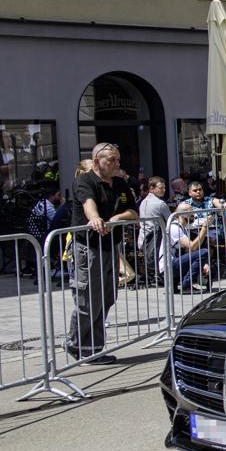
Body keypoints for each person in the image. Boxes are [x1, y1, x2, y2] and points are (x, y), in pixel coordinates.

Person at [66, 143, 138, 364]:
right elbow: (88, 204)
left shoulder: (119, 184)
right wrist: (95, 218)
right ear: (97, 161)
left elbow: (133, 211)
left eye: (118, 159)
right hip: (88, 247)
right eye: (111, 160)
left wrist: (118, 218)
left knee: (107, 297)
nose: (117, 164)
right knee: (89, 298)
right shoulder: (85, 181)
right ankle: (80, 346)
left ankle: (90, 347)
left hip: (110, 246)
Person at [160, 203, 210, 293]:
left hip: (176, 263)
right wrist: (205, 227)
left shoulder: (184, 228)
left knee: (210, 265)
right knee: (204, 252)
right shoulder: (174, 228)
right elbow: (193, 246)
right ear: (183, 214)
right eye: (191, 213)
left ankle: (183, 283)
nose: (193, 216)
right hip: (169, 266)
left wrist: (204, 263)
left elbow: (189, 251)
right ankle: (186, 285)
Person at [137, 177, 171, 284]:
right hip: (156, 241)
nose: (164, 190)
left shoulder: (143, 202)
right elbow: (171, 220)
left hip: (143, 240)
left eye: (164, 188)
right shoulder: (161, 204)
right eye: (161, 188)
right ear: (152, 188)